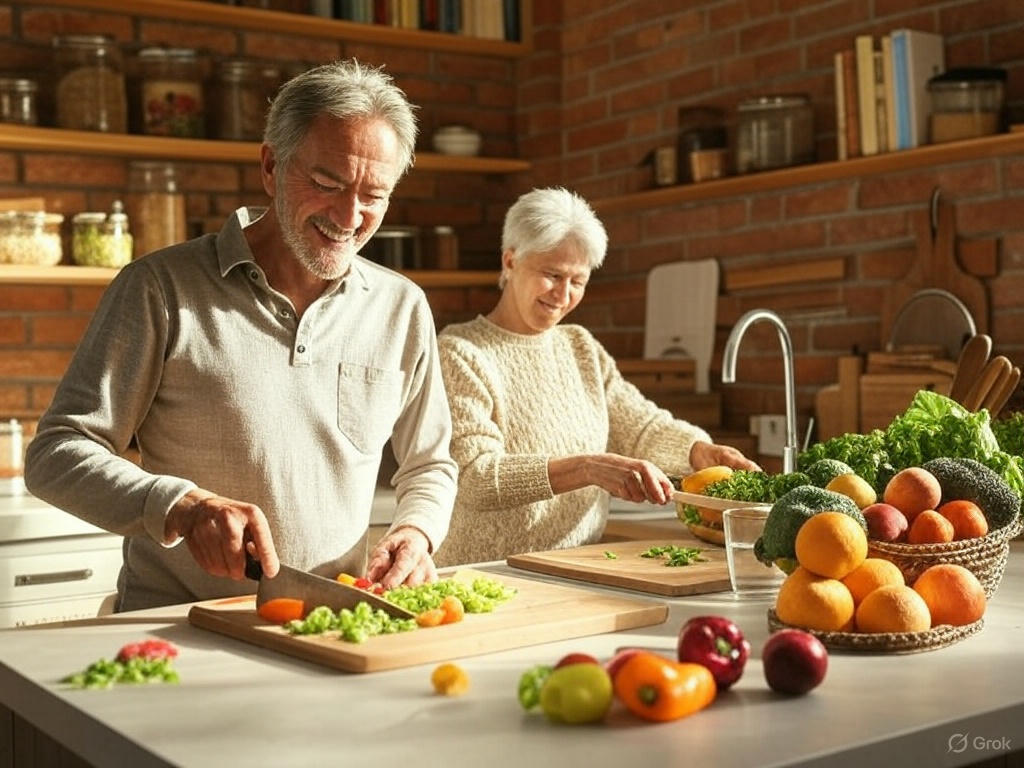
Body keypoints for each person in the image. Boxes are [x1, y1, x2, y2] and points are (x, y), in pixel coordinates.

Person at [24, 60, 457, 611]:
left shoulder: (402, 307)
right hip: (179, 625)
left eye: (375, 195)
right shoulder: (159, 288)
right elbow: (55, 454)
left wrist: (417, 532)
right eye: (327, 183)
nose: (350, 216)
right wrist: (180, 505)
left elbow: (430, 463)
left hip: (332, 625)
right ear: (271, 167)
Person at [433, 187, 758, 567]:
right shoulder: (459, 352)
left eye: (578, 281)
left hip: (576, 567)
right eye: (552, 274)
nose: (563, 294)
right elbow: (475, 477)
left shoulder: (580, 347)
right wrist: (586, 469)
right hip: (486, 571)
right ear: (510, 261)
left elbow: (639, 426)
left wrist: (698, 451)